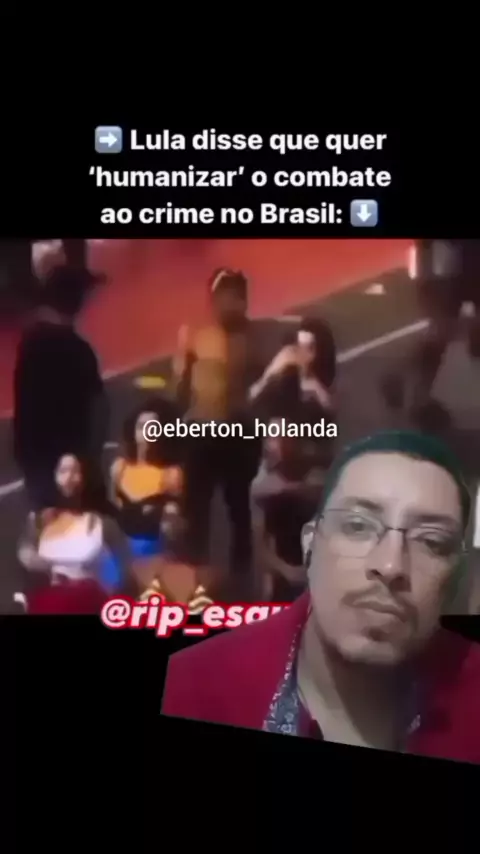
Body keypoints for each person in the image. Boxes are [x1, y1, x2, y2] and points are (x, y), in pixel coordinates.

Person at [162, 430, 480, 763]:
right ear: (310, 543)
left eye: (431, 541)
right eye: (358, 526)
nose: (390, 565)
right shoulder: (188, 688)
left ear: (456, 575)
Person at [175, 268, 264, 573]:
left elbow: (262, 386)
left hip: (239, 434)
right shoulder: (195, 334)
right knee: (195, 508)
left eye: (238, 297)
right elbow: (181, 384)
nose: (232, 304)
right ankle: (194, 570)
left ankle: (241, 572)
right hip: (200, 433)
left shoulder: (254, 338)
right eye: (225, 297)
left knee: (239, 506)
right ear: (214, 300)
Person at [12, 265, 107, 509]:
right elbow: (97, 409)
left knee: (47, 519)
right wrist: (90, 459)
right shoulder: (78, 351)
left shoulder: (30, 343)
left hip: (36, 457)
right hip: (70, 459)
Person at [381, 239, 480, 427]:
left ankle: (415, 393)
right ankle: (408, 385)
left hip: (458, 257)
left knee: (443, 331)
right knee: (442, 329)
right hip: (444, 258)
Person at [18, 453, 130, 613]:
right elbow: (25, 555)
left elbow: (125, 564)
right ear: (53, 477)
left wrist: (112, 597)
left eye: (75, 471)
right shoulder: (40, 521)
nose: (69, 477)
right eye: (63, 471)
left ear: (86, 478)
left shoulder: (103, 523)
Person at [251, 415, 326, 601]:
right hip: (285, 580)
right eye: (275, 438)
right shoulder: (264, 489)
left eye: (286, 437)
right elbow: (260, 545)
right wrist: (287, 571)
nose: (281, 445)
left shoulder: (315, 478)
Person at [110, 398, 184, 560]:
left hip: (154, 553)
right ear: (133, 433)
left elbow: (174, 529)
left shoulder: (171, 474)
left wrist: (171, 520)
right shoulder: (120, 468)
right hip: (121, 552)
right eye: (141, 426)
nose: (147, 432)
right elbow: (113, 511)